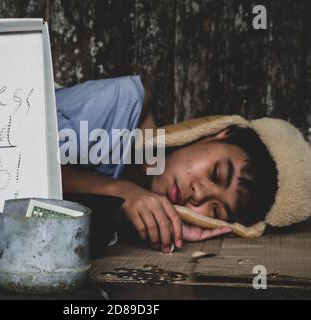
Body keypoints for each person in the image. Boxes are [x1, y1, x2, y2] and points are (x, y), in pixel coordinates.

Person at [56, 76, 311, 253]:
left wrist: (179, 227)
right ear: (216, 132)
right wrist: (121, 193)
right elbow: (21, 171)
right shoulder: (125, 102)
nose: (198, 195)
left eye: (215, 211)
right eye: (216, 174)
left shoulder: (141, 199)